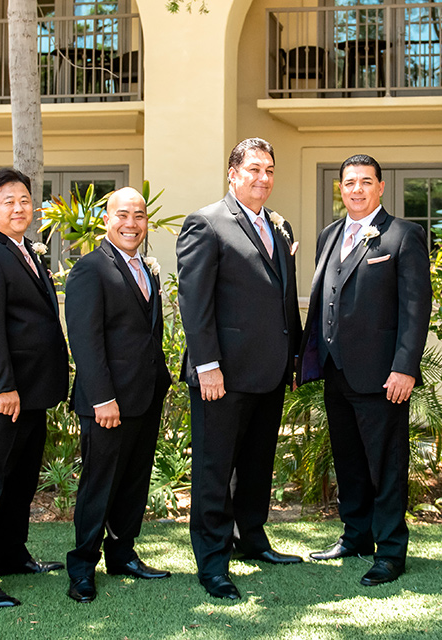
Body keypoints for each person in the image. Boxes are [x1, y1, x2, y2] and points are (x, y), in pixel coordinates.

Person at [176, 137, 303, 600]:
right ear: (233, 174)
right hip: (222, 377)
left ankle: (251, 539)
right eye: (253, 169)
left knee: (255, 467)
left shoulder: (279, 226)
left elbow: (284, 299)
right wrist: (208, 365)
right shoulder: (206, 224)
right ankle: (212, 562)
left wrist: (294, 359)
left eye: (269, 170)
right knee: (214, 470)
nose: (262, 178)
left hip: (269, 373)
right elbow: (195, 302)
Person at [298, 154, 432, 586]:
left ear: (381, 187)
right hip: (337, 371)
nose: (356, 189)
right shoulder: (329, 235)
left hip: (383, 375)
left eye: (365, 182)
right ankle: (356, 536)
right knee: (350, 461)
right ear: (340, 188)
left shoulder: (404, 235)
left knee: (387, 465)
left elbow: (416, 307)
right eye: (349, 182)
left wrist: (405, 367)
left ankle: (391, 550)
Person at [0, 168, 69, 608]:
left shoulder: (24, 251)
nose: (19, 208)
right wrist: (3, 387)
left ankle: (11, 553)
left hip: (32, 393)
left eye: (24, 200)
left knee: (19, 482)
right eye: (8, 201)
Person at [63, 187, 173, 603]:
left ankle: (122, 554)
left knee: (133, 483)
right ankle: (82, 567)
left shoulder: (149, 269)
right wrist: (101, 398)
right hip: (106, 402)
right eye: (123, 215)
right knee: (99, 485)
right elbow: (85, 341)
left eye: (139, 215)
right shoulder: (90, 268)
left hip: (144, 396)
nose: (132, 223)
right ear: (106, 219)